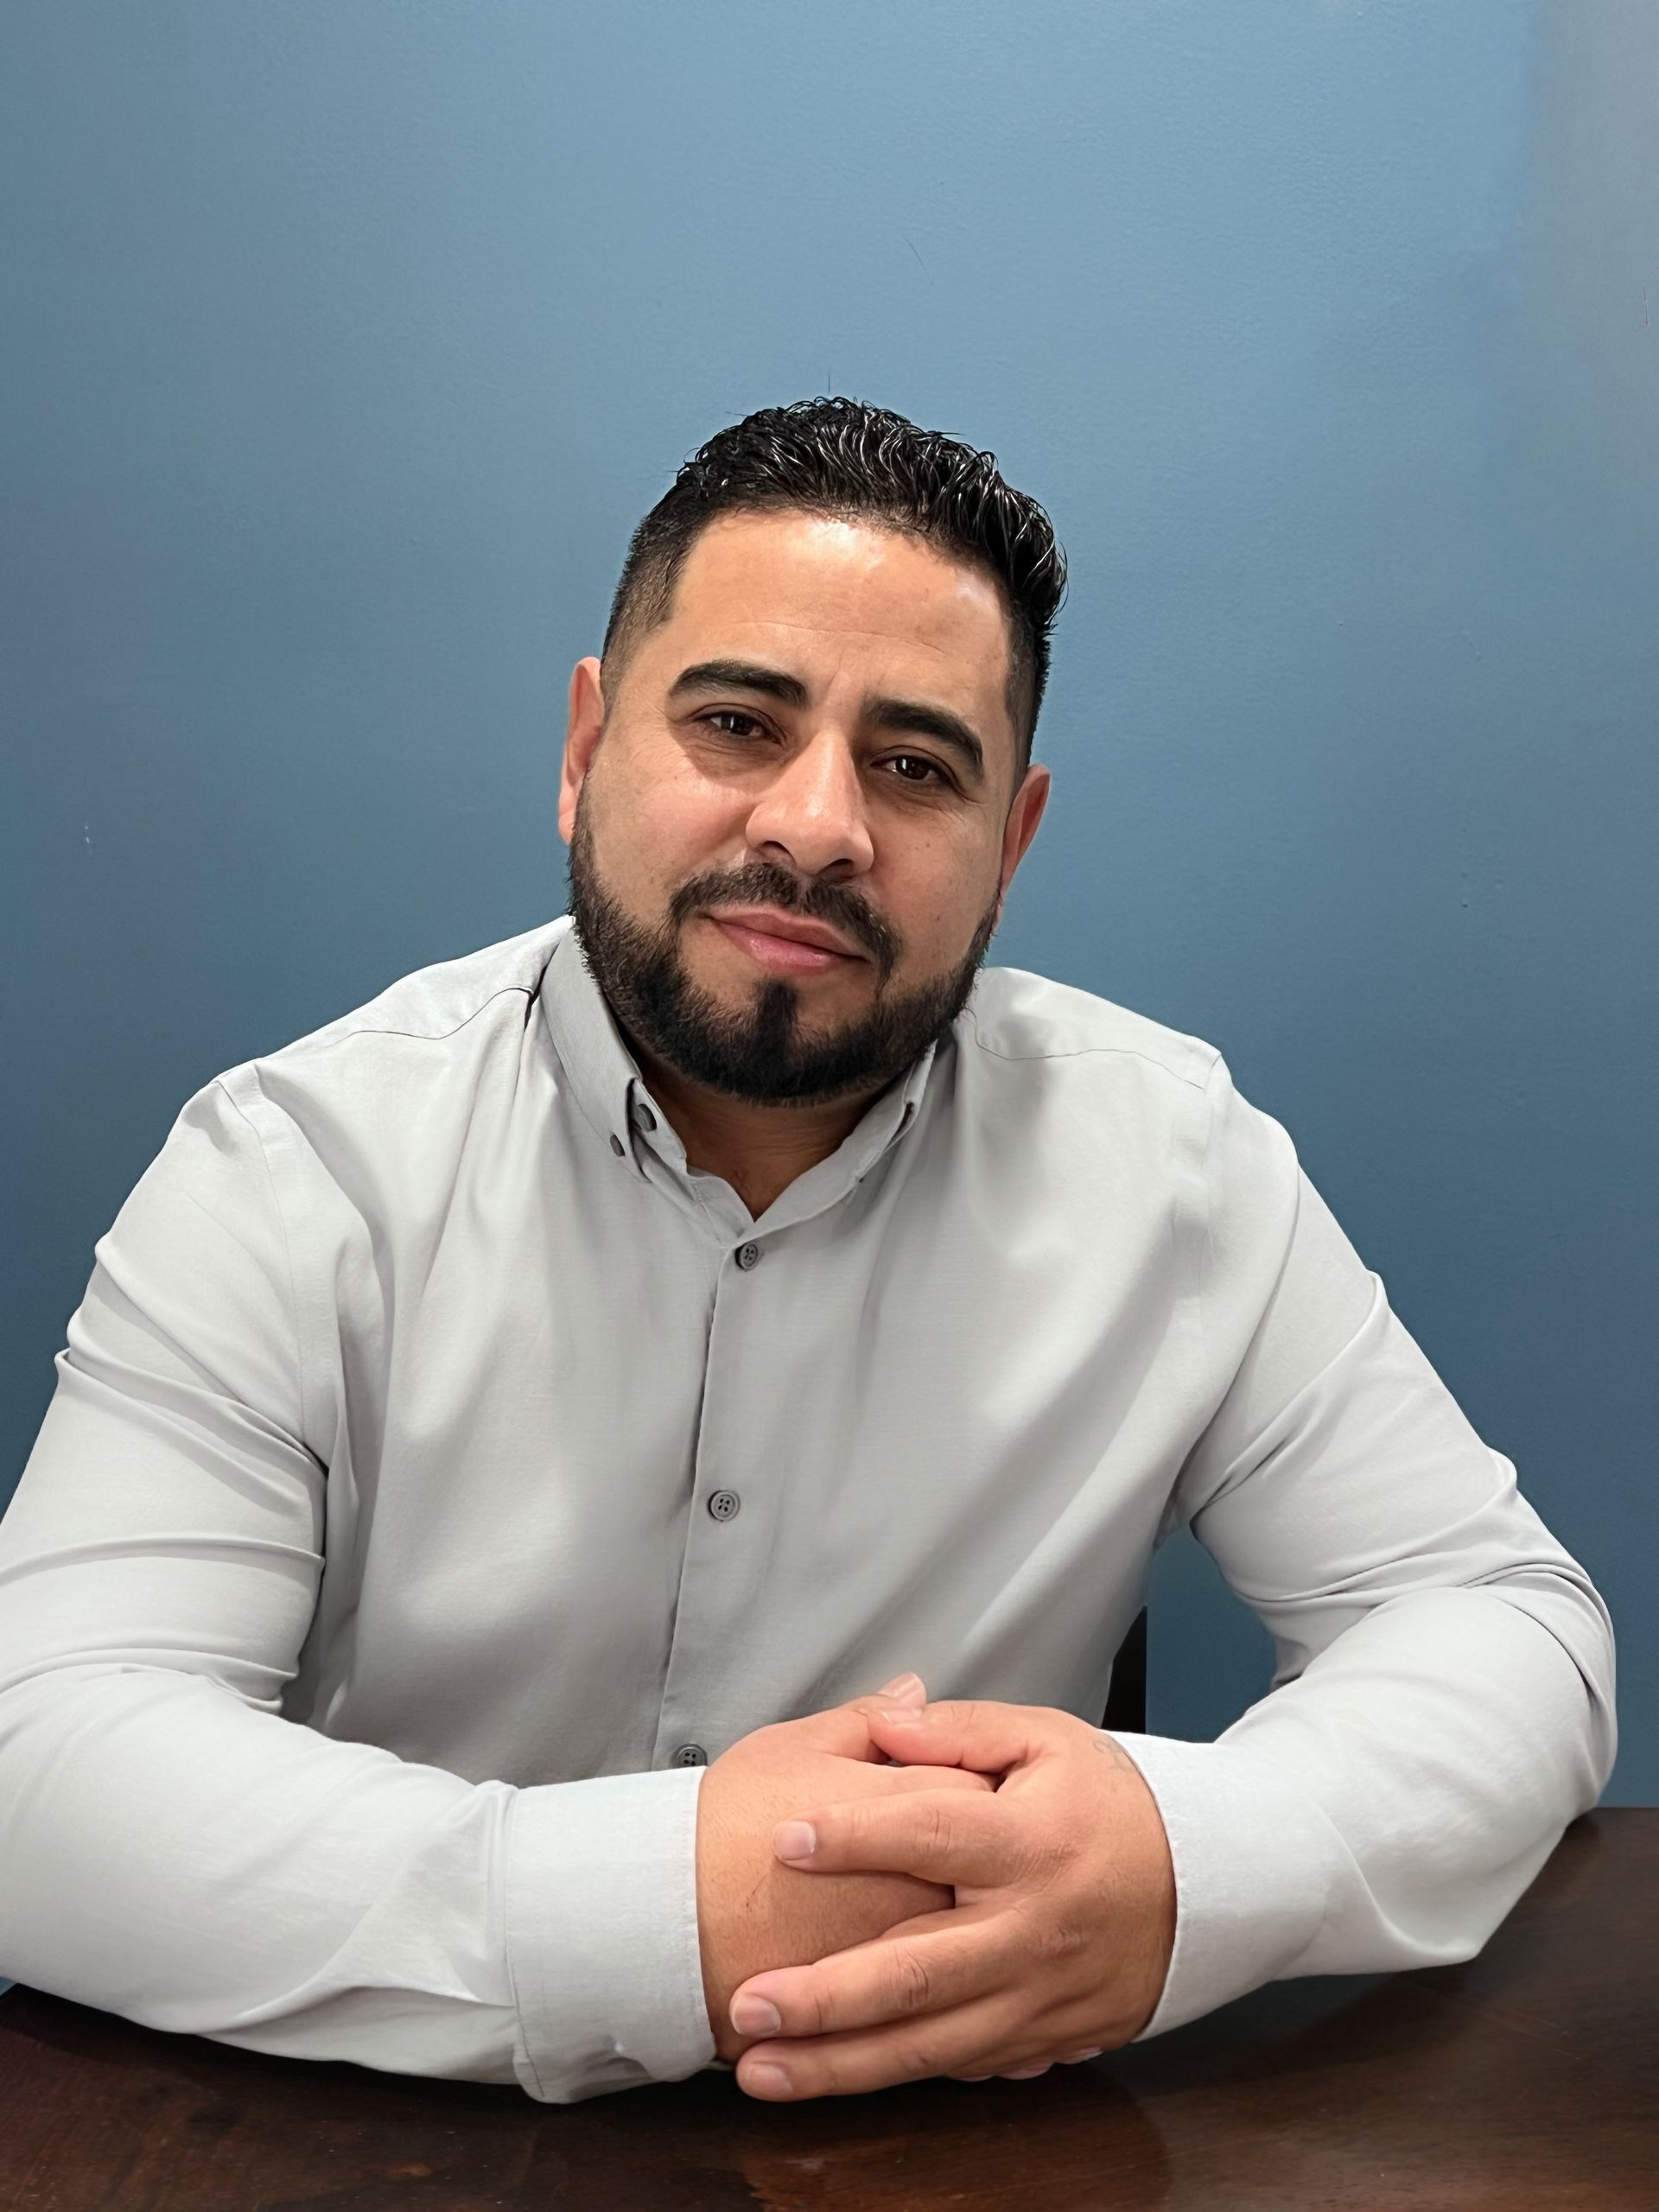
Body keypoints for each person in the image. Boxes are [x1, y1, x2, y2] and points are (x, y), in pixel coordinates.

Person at [0, 399, 1615, 2107]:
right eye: (737, 722)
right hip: (374, 2130)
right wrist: (664, 1906)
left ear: (1011, 844)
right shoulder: (292, 1168)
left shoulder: (1181, 1168)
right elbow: (37, 1752)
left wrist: (1193, 1857)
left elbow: (1503, 1620)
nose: (819, 820)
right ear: (585, 748)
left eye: (916, 765)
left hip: (968, 2150)